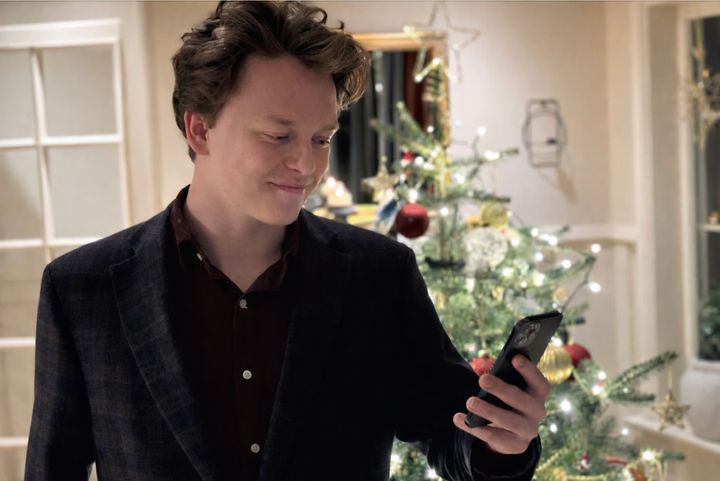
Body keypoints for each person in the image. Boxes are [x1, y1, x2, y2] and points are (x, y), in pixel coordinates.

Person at [25, 2, 550, 480]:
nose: (307, 165)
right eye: (278, 135)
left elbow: (452, 435)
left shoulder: (380, 275)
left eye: (322, 138)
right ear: (199, 130)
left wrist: (504, 442)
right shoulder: (82, 289)